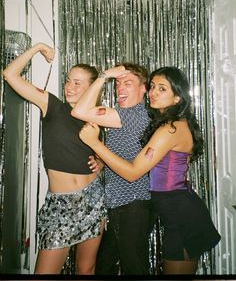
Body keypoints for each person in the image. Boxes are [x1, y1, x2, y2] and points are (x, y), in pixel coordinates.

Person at [79, 66, 221, 275]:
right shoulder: (163, 123)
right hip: (173, 212)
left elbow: (133, 172)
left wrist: (95, 144)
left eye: (162, 89)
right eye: (153, 86)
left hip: (181, 215)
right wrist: (103, 161)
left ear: (177, 98)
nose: (153, 92)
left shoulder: (170, 128)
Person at [2, 43, 107, 275]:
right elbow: (9, 74)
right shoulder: (53, 106)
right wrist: (37, 48)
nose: (69, 87)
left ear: (93, 88)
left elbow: (105, 155)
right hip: (60, 206)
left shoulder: (99, 117)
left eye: (77, 83)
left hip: (93, 199)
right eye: (68, 80)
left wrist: (101, 163)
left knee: (86, 269)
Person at [71, 63, 152, 275]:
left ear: (144, 88)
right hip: (121, 205)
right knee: (106, 267)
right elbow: (128, 153)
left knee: (135, 270)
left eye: (128, 83)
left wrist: (104, 75)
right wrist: (103, 162)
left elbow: (79, 111)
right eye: (117, 84)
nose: (120, 89)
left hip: (132, 206)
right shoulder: (127, 115)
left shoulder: (131, 116)